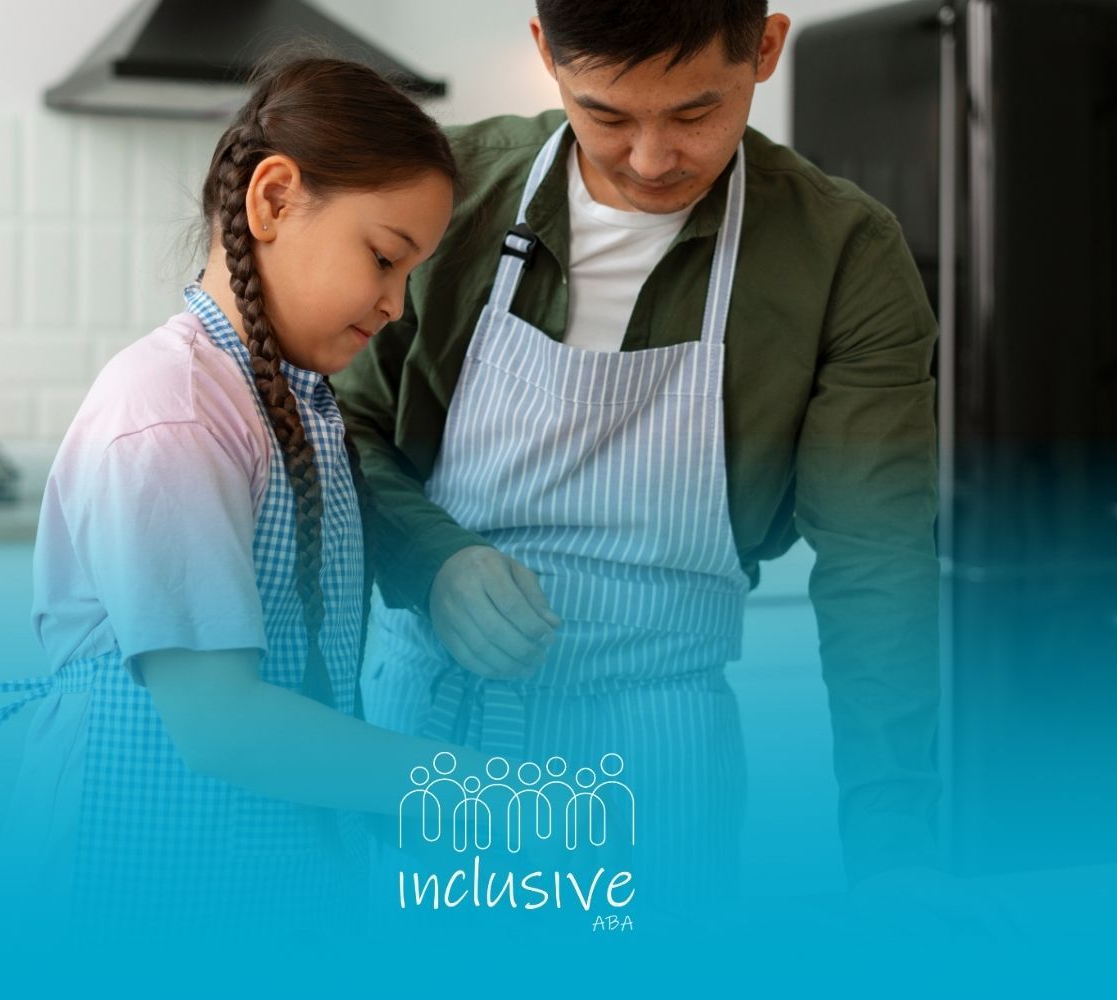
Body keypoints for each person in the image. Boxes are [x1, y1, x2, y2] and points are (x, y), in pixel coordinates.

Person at [333, 0, 945, 919]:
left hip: (658, 759)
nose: (652, 160)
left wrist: (894, 853)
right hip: (427, 736)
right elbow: (336, 428)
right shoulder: (442, 194)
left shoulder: (844, 256)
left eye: (695, 113)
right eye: (606, 114)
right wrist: (432, 560)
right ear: (546, 53)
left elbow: (877, 563)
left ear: (765, 48)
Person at [0, 55, 473, 936]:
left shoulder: (293, 402)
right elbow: (219, 724)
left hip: (253, 870)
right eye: (385, 257)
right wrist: (462, 790)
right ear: (274, 200)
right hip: (127, 880)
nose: (397, 303)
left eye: (411, 273)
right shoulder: (174, 411)